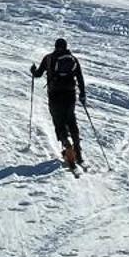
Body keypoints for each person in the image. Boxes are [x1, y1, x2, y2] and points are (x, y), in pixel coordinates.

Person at [31, 37, 87, 170]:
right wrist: (82, 94)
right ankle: (78, 151)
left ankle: (66, 145)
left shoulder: (49, 58)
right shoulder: (72, 59)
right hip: (70, 94)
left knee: (59, 121)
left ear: (55, 46)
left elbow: (38, 74)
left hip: (55, 95)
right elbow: (80, 77)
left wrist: (33, 70)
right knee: (71, 119)